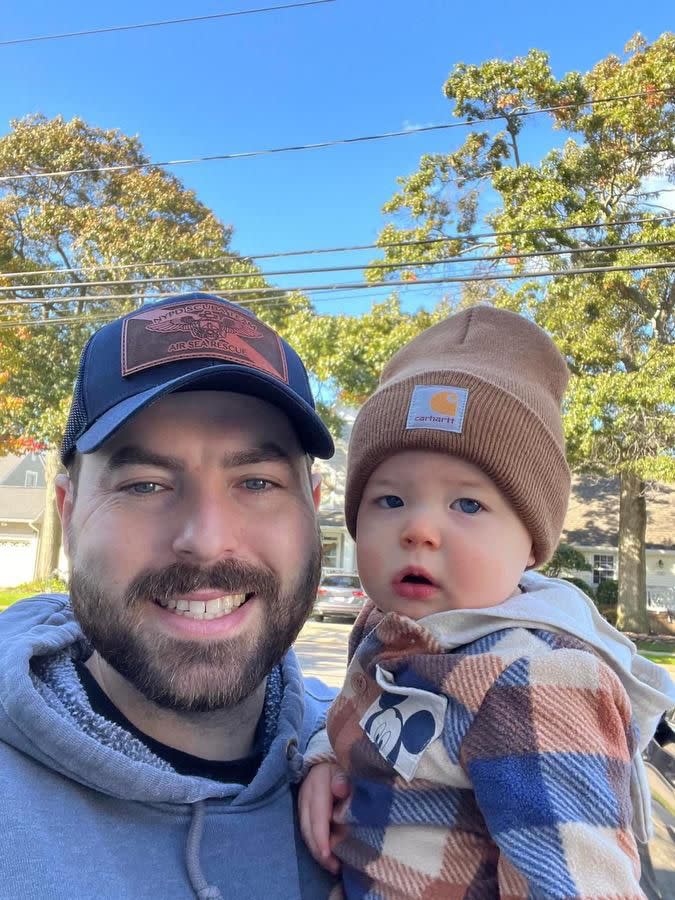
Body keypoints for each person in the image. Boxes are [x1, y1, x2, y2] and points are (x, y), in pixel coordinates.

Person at [299, 305, 675, 899]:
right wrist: (325, 761)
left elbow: (576, 882)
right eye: (390, 500)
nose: (420, 529)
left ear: (531, 547)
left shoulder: (530, 680)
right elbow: (359, 711)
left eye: (468, 505)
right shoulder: (386, 628)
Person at [0, 291, 340, 899]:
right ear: (68, 510)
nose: (207, 542)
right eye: (145, 485)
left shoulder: (398, 759)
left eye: (257, 482)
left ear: (312, 513)